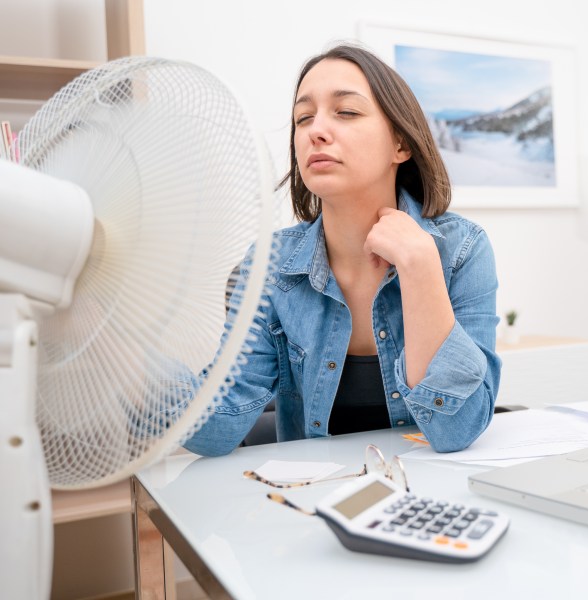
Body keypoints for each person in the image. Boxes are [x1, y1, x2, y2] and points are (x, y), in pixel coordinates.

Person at [183, 43, 501, 456]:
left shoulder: (462, 250)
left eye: (346, 112)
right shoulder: (268, 265)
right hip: (311, 502)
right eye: (303, 117)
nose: (316, 130)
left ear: (401, 145)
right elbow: (218, 428)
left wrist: (420, 267)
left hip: (429, 501)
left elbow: (456, 430)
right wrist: (130, 367)